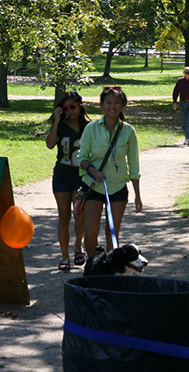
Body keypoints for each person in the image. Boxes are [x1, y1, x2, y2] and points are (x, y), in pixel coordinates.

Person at [78, 87, 142, 255]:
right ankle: (93, 266)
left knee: (112, 232)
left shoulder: (128, 131)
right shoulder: (91, 128)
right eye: (108, 103)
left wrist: (137, 196)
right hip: (94, 186)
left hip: (118, 187)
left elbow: (134, 165)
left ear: (122, 106)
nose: (112, 107)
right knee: (90, 233)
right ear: (101, 105)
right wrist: (93, 171)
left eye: (116, 103)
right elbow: (82, 159)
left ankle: (110, 272)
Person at [46, 91, 90, 270]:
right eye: (66, 108)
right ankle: (65, 255)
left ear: (80, 105)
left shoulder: (89, 126)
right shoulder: (61, 126)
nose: (70, 111)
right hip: (62, 176)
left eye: (72, 107)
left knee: (79, 214)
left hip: (81, 177)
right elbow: (49, 144)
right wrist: (56, 121)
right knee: (63, 215)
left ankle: (78, 246)